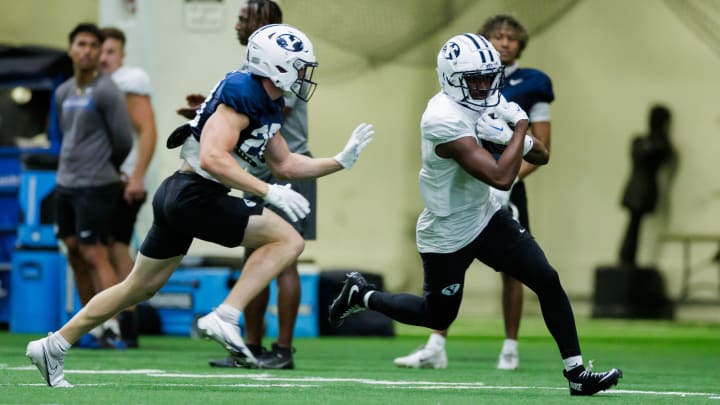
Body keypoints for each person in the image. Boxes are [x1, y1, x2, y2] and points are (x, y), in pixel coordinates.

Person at [26, 23, 375, 388]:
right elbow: (211, 157)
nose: (304, 75)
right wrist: (268, 193)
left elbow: (284, 163)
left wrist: (339, 160)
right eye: (300, 66)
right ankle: (225, 315)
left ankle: (54, 344)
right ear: (278, 65)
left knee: (138, 288)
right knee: (288, 240)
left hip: (181, 196)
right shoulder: (244, 91)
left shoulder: (267, 102)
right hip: (194, 194)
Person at [328, 33, 621, 396]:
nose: (483, 86)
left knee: (547, 279)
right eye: (475, 79)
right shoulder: (441, 118)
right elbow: (501, 175)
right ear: (451, 79)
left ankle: (577, 373)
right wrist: (518, 129)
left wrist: (518, 134)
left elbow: (542, 156)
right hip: (447, 229)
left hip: (486, 215)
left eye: (488, 77)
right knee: (436, 316)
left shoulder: (489, 97)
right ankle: (362, 295)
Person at [393, 14, 554, 371]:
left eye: (512, 37)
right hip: (471, 185)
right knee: (453, 267)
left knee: (522, 270)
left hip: (507, 186)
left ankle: (510, 346)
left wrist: (511, 182)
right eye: (498, 36)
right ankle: (437, 342)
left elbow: (542, 149)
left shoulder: (531, 84)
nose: (505, 42)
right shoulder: (451, 103)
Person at [178, 0, 309, 370]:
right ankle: (248, 344)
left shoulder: (285, 70)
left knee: (286, 257)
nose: (237, 23)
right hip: (257, 170)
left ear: (262, 23)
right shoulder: (249, 71)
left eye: (243, 17)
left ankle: (282, 349)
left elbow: (266, 119)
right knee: (254, 257)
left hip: (287, 167)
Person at [52, 22, 133, 348]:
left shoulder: (107, 91)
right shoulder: (62, 92)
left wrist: (105, 168)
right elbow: (66, 135)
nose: (86, 51)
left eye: (92, 45)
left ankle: (112, 325)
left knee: (94, 252)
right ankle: (91, 326)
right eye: (80, 44)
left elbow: (124, 140)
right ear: (71, 49)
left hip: (96, 184)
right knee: (73, 250)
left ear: (100, 53)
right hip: (65, 183)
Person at [618, 105, 674, 268]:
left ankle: (627, 259)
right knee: (633, 227)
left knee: (633, 226)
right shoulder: (646, 142)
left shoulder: (649, 143)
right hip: (642, 188)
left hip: (641, 186)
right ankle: (626, 259)